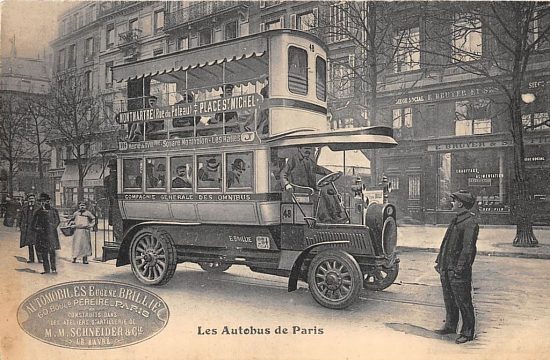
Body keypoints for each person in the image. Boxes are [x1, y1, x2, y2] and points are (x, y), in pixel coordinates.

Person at [434, 190, 479, 344]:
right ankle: (450, 326)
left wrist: (459, 270)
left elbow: (468, 250)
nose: (451, 203)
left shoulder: (470, 223)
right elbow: (445, 244)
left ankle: (467, 332)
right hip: (447, 268)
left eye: (453, 201)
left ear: (460, 203)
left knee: (463, 301)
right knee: (449, 299)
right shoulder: (456, 220)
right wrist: (440, 261)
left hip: (458, 271)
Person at [31, 193, 61, 274]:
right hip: (42, 235)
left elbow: (57, 220)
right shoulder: (38, 212)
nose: (44, 203)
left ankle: (54, 268)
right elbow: (33, 224)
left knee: (52, 252)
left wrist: (53, 227)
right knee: (44, 252)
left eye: (46, 201)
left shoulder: (54, 210)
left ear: (49, 201)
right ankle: (46, 269)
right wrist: (39, 230)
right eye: (42, 201)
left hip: (52, 235)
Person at [18, 193, 42, 263]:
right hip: (28, 227)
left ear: (35, 199)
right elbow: (20, 217)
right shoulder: (24, 207)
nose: (31, 200)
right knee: (30, 244)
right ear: (28, 200)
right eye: (30, 199)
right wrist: (19, 226)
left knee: (37, 243)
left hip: (36, 227)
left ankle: (40, 258)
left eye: (32, 199)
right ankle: (31, 258)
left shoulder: (39, 207)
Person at [104, 159, 123, 242]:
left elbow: (106, 192)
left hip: (113, 202)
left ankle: (117, 239)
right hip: (116, 202)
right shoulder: (120, 177)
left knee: (116, 224)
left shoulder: (108, 178)